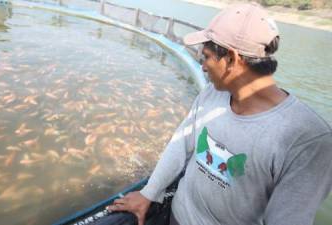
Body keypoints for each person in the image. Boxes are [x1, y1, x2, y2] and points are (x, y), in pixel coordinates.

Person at [108, 3, 332, 225]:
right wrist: (149, 193)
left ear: (233, 59)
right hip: (176, 215)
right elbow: (181, 143)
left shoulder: (307, 140)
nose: (203, 67)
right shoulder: (212, 94)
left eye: (205, 57)